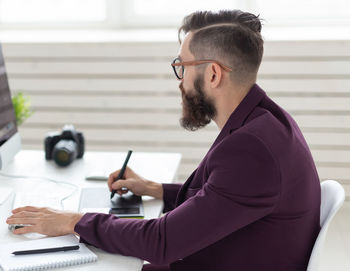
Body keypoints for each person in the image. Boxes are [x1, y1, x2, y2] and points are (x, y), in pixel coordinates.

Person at [6, 10, 321, 271]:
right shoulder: (266, 121)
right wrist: (154, 189)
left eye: (182, 67)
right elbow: (215, 200)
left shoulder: (252, 151)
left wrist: (73, 222)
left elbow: (162, 243)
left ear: (213, 75)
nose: (180, 81)